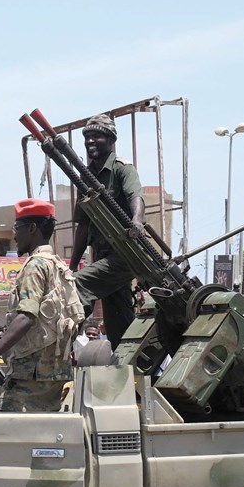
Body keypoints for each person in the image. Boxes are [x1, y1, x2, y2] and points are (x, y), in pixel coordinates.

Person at [0, 199, 83, 412]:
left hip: (31, 374)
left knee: (3, 431)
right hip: (54, 371)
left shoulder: (35, 266)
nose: (14, 236)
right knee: (42, 432)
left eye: (16, 229)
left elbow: (27, 316)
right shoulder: (56, 264)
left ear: (31, 228)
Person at [69, 114, 147, 349]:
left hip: (126, 254)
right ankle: (126, 366)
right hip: (105, 257)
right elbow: (83, 225)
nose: (90, 141)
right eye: (87, 137)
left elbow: (136, 196)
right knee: (118, 325)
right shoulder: (86, 176)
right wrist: (72, 265)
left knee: (76, 285)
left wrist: (137, 220)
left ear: (111, 139)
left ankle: (65, 338)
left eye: (97, 136)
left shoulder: (122, 169)